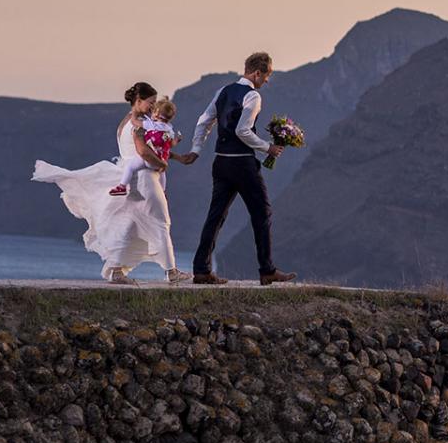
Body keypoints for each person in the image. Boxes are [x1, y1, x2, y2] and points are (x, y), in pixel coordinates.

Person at [32, 82, 194, 284]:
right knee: (161, 221)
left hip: (130, 176)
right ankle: (171, 272)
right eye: (151, 102)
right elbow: (144, 151)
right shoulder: (140, 123)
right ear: (139, 100)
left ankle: (117, 270)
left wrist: (177, 158)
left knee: (127, 224)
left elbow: (147, 151)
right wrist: (163, 164)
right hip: (145, 178)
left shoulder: (125, 122)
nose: (153, 107)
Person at [183, 51, 297, 286]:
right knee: (262, 213)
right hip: (242, 164)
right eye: (267, 76)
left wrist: (196, 148)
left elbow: (204, 121)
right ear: (257, 73)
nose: (266, 81)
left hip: (220, 162)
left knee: (215, 216)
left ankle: (201, 270)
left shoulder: (223, 92)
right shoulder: (253, 97)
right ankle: (267, 270)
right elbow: (242, 131)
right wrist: (268, 148)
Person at [110, 96, 179, 197]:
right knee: (162, 172)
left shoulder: (151, 125)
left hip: (148, 158)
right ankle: (163, 192)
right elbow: (171, 144)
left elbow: (134, 122)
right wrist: (177, 140)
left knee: (130, 167)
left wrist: (134, 112)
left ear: (157, 113)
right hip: (160, 159)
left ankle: (122, 186)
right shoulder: (169, 129)